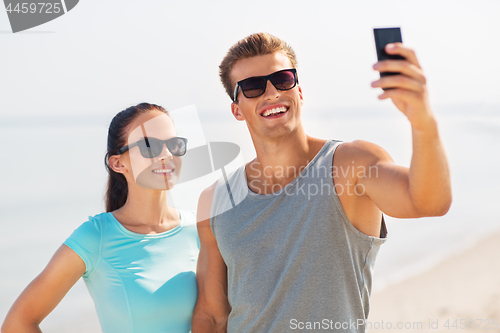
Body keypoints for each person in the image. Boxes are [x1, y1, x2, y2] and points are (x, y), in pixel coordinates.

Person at [192, 33, 452, 332]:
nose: (272, 92)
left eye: (283, 78)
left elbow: (429, 202)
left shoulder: (349, 164)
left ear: (299, 92)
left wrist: (422, 121)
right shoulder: (214, 200)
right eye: (252, 87)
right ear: (237, 109)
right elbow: (212, 316)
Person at [2, 103, 199, 333]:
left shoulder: (200, 229)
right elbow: (18, 322)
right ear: (118, 163)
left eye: (174, 144)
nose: (167, 155)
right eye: (149, 145)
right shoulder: (96, 237)